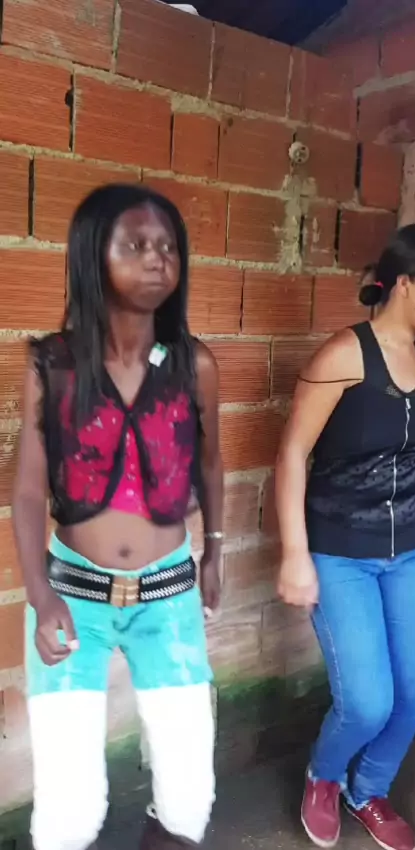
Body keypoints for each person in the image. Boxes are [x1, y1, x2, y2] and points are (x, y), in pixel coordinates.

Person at [12, 184, 223, 850]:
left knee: (189, 797)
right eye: (135, 245)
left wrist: (216, 550)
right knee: (70, 811)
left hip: (169, 596)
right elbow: (26, 493)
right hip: (73, 597)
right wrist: (40, 595)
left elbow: (212, 461)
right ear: (91, 255)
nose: (157, 258)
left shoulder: (193, 365)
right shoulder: (54, 366)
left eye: (168, 247)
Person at [275, 223, 415, 850]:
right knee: (367, 701)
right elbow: (292, 454)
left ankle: (369, 790)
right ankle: (324, 775)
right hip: (342, 553)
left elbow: (410, 460)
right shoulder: (343, 355)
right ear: (404, 282)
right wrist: (295, 554)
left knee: (408, 694)